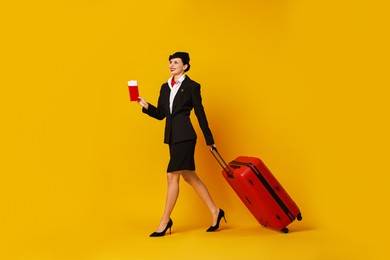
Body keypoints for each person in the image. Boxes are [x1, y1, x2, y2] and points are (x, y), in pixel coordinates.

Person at [137, 52, 225, 237]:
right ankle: (215, 211)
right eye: (170, 62)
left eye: (176, 62)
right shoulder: (165, 87)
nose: (171, 65)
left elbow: (200, 113)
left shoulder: (192, 86)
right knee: (190, 177)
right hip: (172, 137)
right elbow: (161, 114)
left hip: (185, 136)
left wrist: (209, 140)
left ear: (185, 66)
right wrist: (146, 106)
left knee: (172, 176)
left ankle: (165, 221)